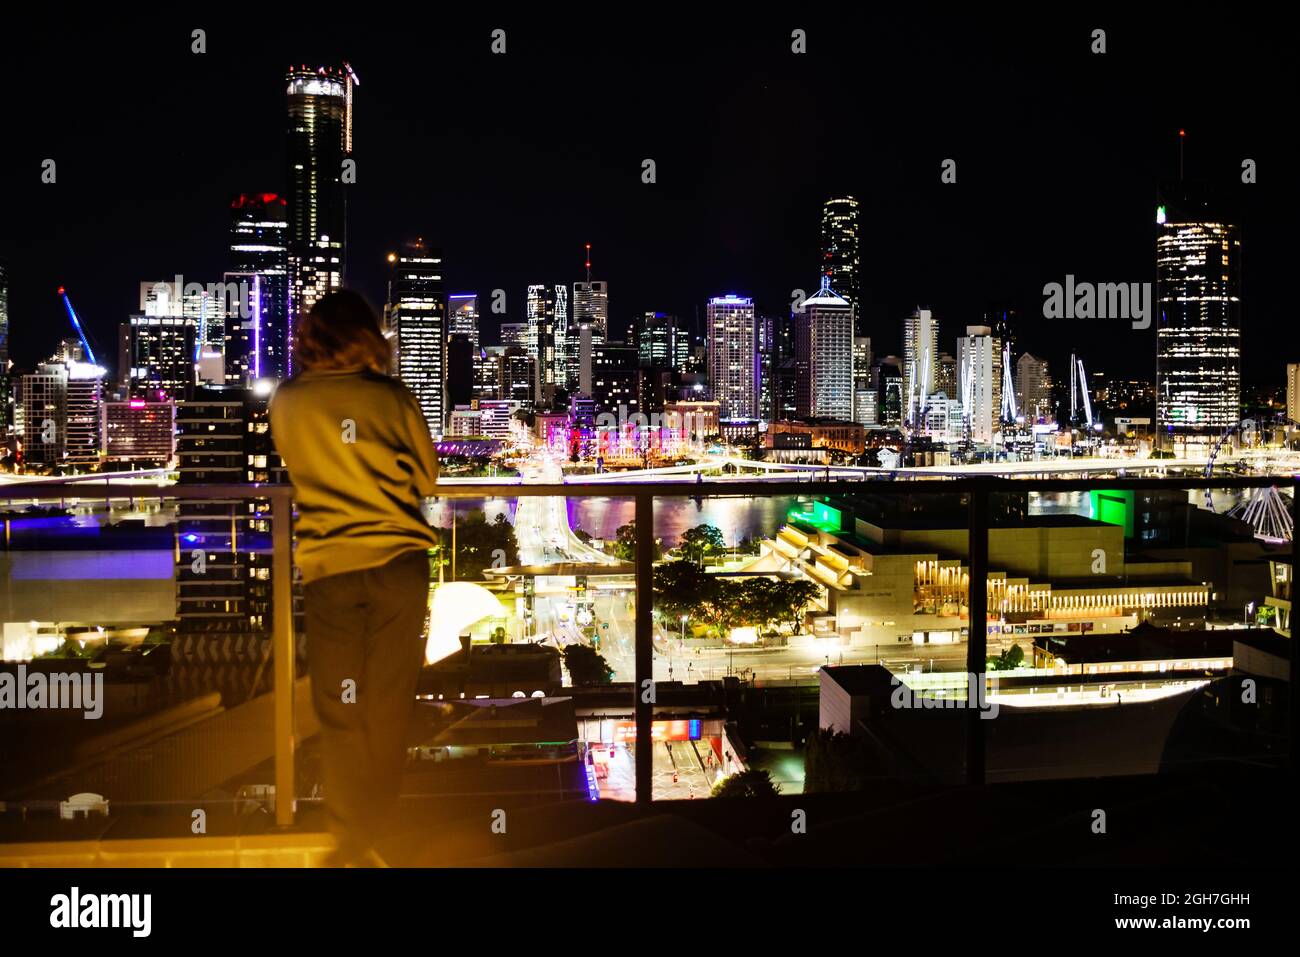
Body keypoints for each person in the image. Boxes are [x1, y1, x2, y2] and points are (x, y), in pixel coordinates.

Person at [269, 290, 439, 867]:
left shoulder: (287, 401)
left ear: (312, 337)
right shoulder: (392, 396)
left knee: (340, 709)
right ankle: (378, 831)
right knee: (388, 706)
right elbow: (429, 477)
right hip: (398, 567)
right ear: (369, 336)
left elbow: (300, 467)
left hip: (331, 569)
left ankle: (349, 835)